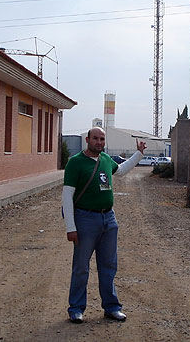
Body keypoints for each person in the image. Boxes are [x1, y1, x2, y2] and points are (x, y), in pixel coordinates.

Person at [62, 127, 146, 323]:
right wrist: (70, 227)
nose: (99, 142)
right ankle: (76, 308)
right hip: (85, 220)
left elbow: (122, 170)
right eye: (95, 139)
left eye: (102, 139)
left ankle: (112, 307)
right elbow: (67, 196)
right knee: (81, 267)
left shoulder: (106, 159)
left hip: (109, 219)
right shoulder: (75, 163)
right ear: (87, 140)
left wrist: (139, 154)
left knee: (109, 266)